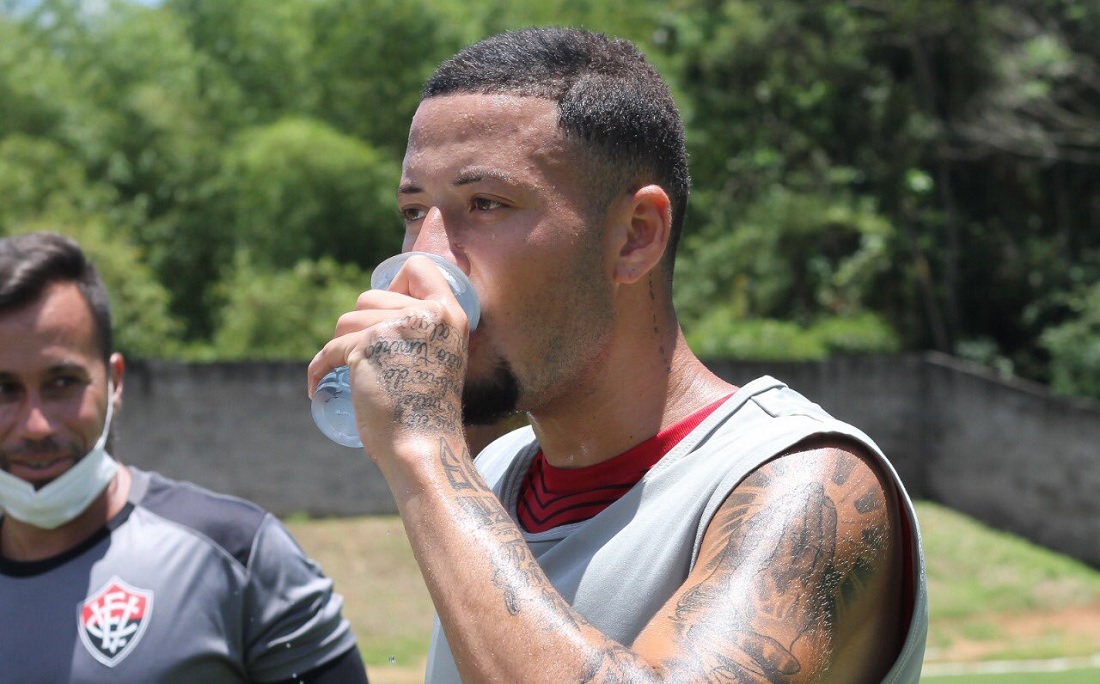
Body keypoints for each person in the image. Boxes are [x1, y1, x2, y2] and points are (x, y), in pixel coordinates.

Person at [309, 26, 927, 683]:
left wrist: (423, 448)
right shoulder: (490, 476)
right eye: (413, 209)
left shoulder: (802, 479)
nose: (424, 258)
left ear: (635, 237)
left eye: (485, 204)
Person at [0, 232, 369, 683]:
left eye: (62, 382)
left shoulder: (237, 554)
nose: (35, 424)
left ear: (114, 382)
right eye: (4, 390)